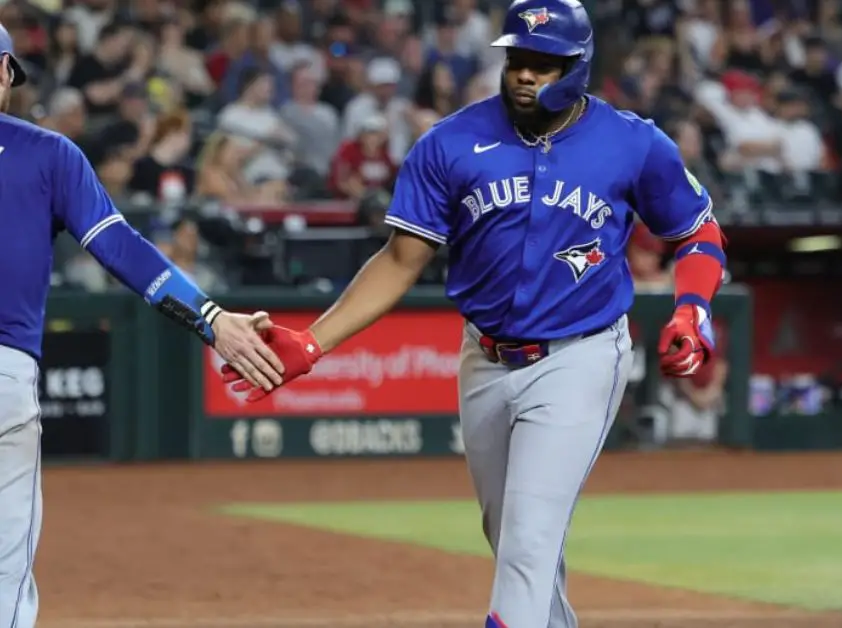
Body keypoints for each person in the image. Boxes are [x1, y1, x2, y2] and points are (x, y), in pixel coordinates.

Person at [219, 2, 727, 627]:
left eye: (542, 65)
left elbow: (698, 233)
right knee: (516, 541)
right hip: (484, 360)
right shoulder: (452, 142)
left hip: (581, 355)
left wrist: (693, 309)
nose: (523, 75)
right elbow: (402, 258)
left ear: (578, 67)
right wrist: (314, 343)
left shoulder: (633, 143)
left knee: (526, 545)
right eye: (517, 59)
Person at [0, 27, 283, 628]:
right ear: (4, 71)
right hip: (5, 374)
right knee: (3, 579)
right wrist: (211, 319)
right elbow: (121, 249)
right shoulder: (49, 155)